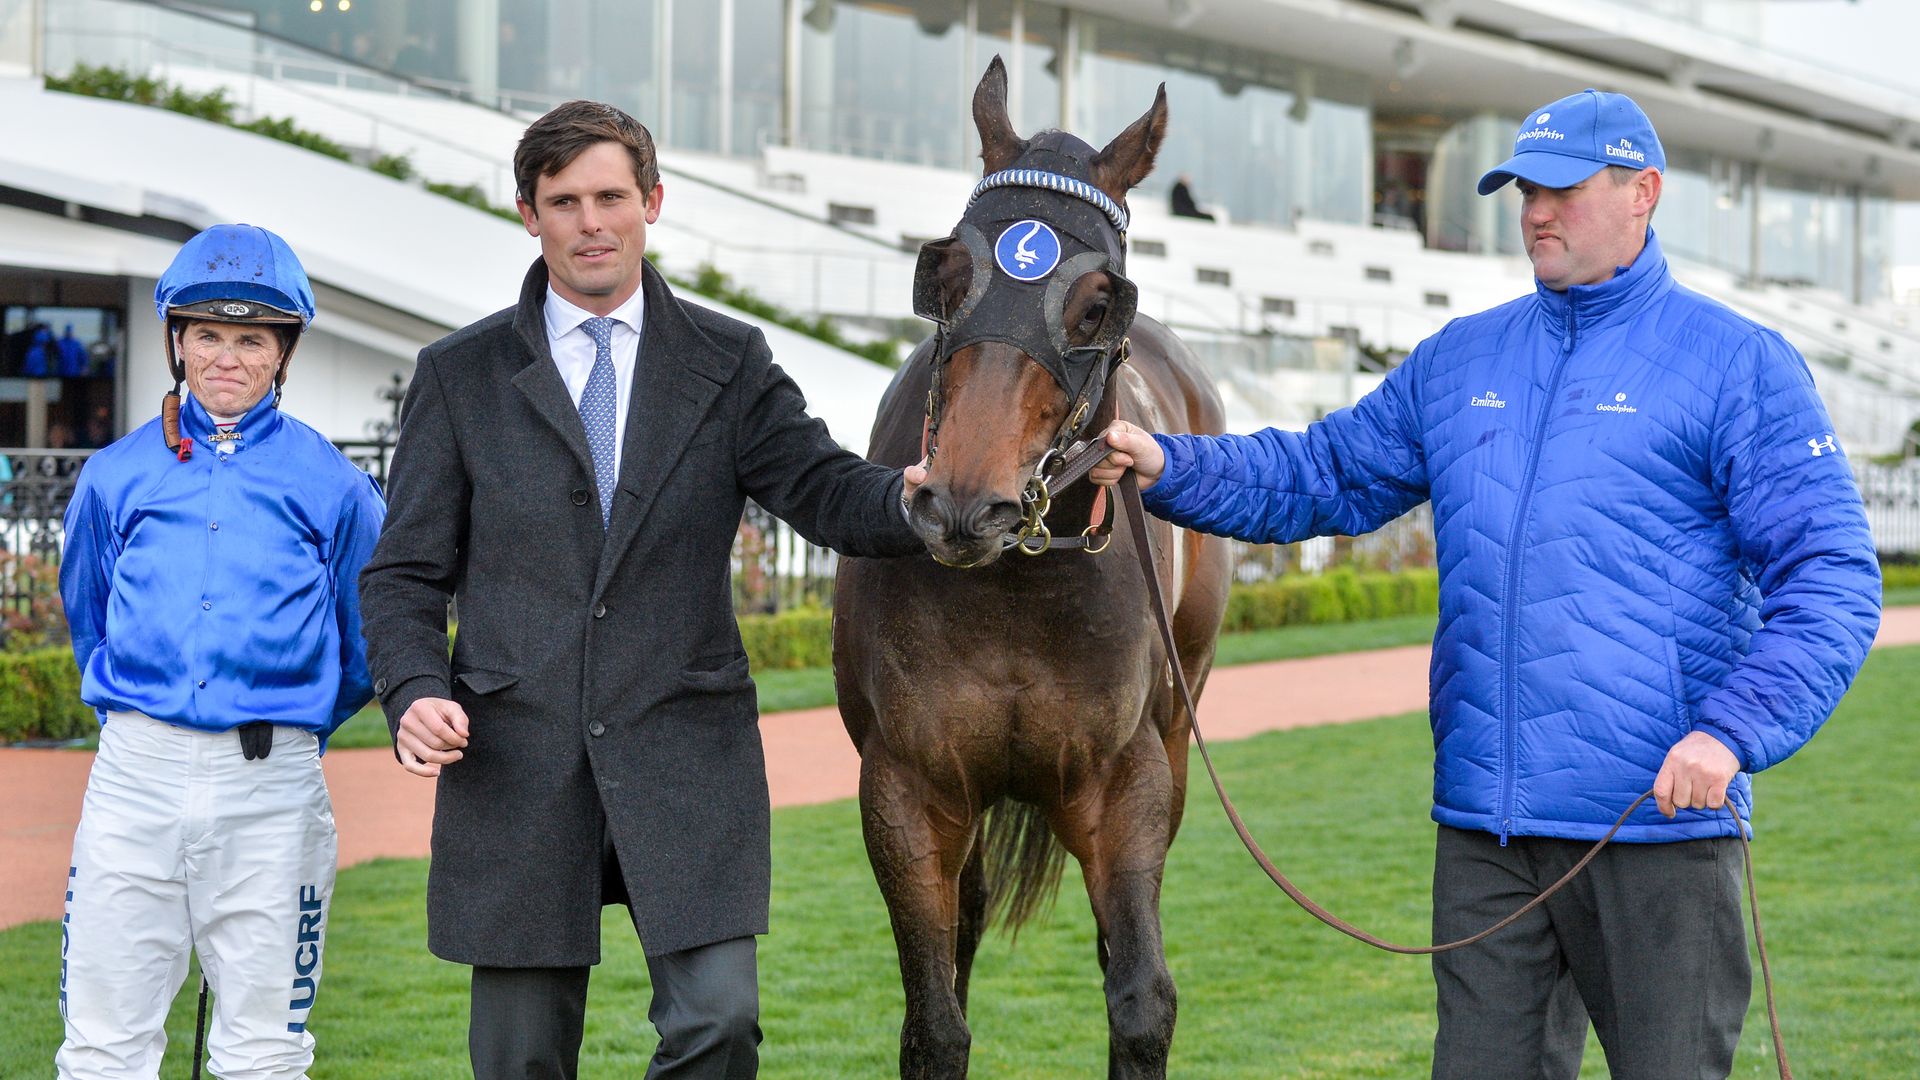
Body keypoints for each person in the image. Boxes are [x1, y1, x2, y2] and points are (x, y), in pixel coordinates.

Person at [1092, 88, 1881, 1079]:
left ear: (1645, 191)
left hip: (1656, 826)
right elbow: (1320, 475)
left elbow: (1833, 579)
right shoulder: (1462, 359)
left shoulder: (1738, 366)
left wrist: (1731, 731)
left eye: (1563, 188)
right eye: (1522, 191)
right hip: (1487, 838)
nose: (1536, 212)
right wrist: (1170, 464)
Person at [356, 99, 928, 1080]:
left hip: (683, 749)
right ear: (528, 214)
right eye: (564, 200)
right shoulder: (459, 376)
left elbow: (825, 489)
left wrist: (918, 499)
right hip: (516, 757)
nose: (591, 221)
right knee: (517, 1059)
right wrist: (414, 692)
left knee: (718, 1027)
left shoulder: (727, 362)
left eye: (611, 196)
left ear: (652, 201)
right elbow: (404, 573)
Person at [55, 223, 385, 1079]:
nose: (227, 357)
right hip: (136, 774)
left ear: (284, 352)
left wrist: (280, 715)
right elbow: (88, 613)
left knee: (265, 1052)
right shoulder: (114, 474)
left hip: (273, 788)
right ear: (176, 341)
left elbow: (364, 645)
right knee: (101, 1046)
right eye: (208, 334)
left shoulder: (338, 486)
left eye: (252, 338)